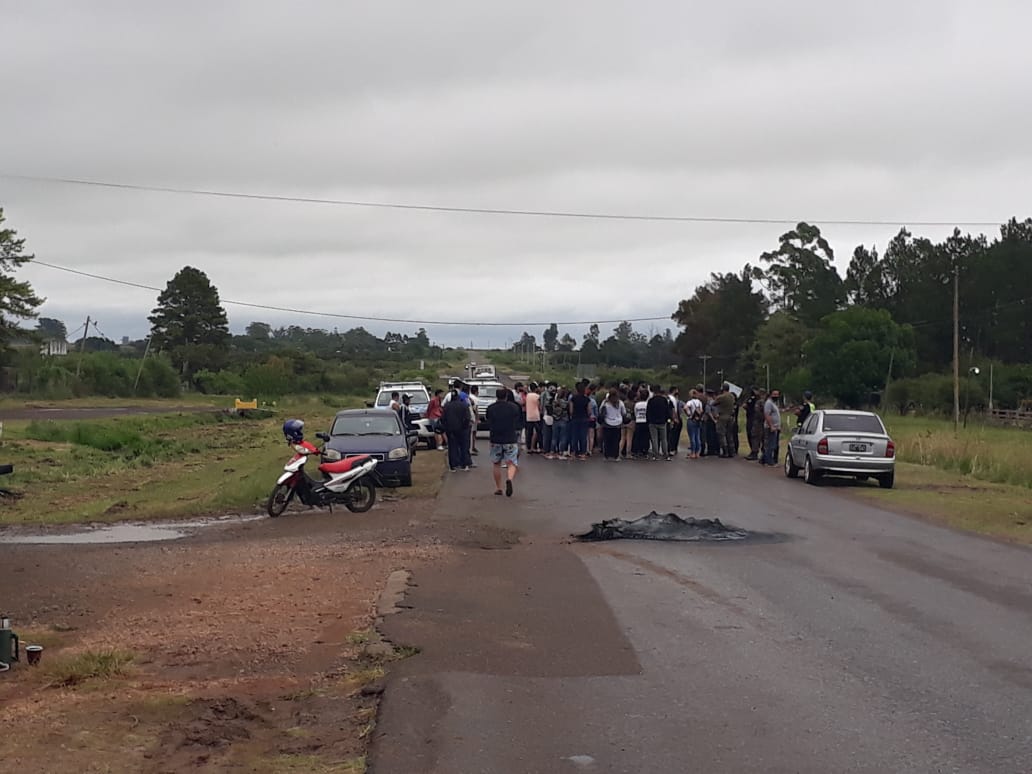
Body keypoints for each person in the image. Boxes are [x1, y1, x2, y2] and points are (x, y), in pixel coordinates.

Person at [486, 387, 521, 496]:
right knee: (512, 463)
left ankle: (498, 488)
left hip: (495, 439)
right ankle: (509, 479)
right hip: (510, 438)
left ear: (496, 396)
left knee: (496, 463)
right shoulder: (514, 407)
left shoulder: (491, 408)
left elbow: (488, 420)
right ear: (506, 396)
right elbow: (517, 420)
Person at [442, 387, 473, 471]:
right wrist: (465, 427)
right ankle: (464, 464)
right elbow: (467, 418)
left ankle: (453, 466)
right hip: (462, 430)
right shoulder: (464, 405)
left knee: (452, 447)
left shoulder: (447, 406)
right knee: (464, 447)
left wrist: (446, 427)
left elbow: (443, 418)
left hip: (450, 430)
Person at [599, 388, 627, 460]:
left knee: (607, 441)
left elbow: (600, 411)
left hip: (607, 423)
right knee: (616, 441)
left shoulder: (605, 403)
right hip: (618, 423)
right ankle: (616, 456)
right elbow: (624, 413)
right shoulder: (620, 402)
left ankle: (606, 456)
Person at [646, 385, 672, 460]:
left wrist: (648, 420)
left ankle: (655, 455)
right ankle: (665, 454)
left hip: (653, 422)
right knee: (664, 439)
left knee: (654, 439)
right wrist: (668, 419)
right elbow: (667, 411)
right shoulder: (664, 400)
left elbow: (648, 412)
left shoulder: (651, 400)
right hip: (662, 422)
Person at [569, 382, 591, 460]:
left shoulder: (573, 398)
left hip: (575, 418)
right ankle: (583, 454)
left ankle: (573, 453)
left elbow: (571, 411)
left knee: (574, 436)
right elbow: (589, 411)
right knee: (583, 436)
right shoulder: (587, 399)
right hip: (584, 419)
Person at [715, 383, 736, 458]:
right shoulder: (732, 396)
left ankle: (725, 451)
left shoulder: (721, 397)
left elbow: (714, 403)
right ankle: (731, 451)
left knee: (721, 433)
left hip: (723, 416)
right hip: (730, 417)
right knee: (729, 434)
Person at [762, 388, 782, 466]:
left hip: (776, 427)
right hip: (770, 427)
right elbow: (767, 415)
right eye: (774, 394)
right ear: (770, 395)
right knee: (771, 445)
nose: (776, 396)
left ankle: (763, 459)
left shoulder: (774, 403)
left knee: (773, 444)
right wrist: (771, 426)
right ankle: (769, 461)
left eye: (777, 394)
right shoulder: (769, 403)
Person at [550, 386, 571, 458]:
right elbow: (568, 411)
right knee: (563, 437)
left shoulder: (554, 402)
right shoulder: (566, 402)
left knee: (554, 437)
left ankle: (552, 451)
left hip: (555, 420)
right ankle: (561, 451)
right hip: (564, 420)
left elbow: (552, 410)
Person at [684, 389, 704, 459]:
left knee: (692, 437)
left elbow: (685, 408)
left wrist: (688, 414)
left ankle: (692, 453)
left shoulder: (690, 402)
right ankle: (697, 453)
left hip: (691, 420)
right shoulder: (699, 402)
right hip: (697, 420)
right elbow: (701, 411)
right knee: (697, 436)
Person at [632, 388, 650, 458]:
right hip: (646, 421)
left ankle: (637, 450)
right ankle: (645, 450)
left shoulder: (637, 404)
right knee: (646, 437)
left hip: (638, 421)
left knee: (638, 437)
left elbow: (635, 413)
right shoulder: (648, 404)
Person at [525, 383, 542, 453]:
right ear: (535, 388)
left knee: (529, 432)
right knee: (537, 432)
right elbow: (539, 406)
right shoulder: (537, 396)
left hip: (529, 416)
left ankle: (529, 447)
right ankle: (535, 447)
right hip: (536, 416)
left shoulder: (527, 395)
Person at [751, 388, 767, 462]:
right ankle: (763, 454)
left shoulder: (760, 402)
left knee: (756, 437)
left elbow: (758, 411)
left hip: (759, 422)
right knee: (762, 438)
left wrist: (761, 418)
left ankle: (755, 453)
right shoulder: (765, 401)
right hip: (762, 421)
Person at [743, 387, 759, 460]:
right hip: (750, 418)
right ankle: (753, 451)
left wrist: (746, 406)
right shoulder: (751, 398)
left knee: (753, 435)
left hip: (753, 419)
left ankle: (754, 452)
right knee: (750, 435)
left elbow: (746, 405)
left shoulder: (754, 399)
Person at [667, 386, 684, 455]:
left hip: (671, 418)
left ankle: (672, 448)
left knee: (672, 434)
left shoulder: (669, 398)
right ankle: (672, 448)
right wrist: (675, 418)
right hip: (674, 418)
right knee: (674, 435)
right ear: (674, 391)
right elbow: (673, 410)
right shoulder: (672, 399)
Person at [468, 385, 480, 456]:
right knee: (473, 433)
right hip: (473, 417)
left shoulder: (468, 397)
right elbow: (476, 409)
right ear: (476, 391)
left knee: (472, 433)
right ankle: (472, 447)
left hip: (468, 417)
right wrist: (478, 419)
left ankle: (472, 447)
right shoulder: (475, 398)